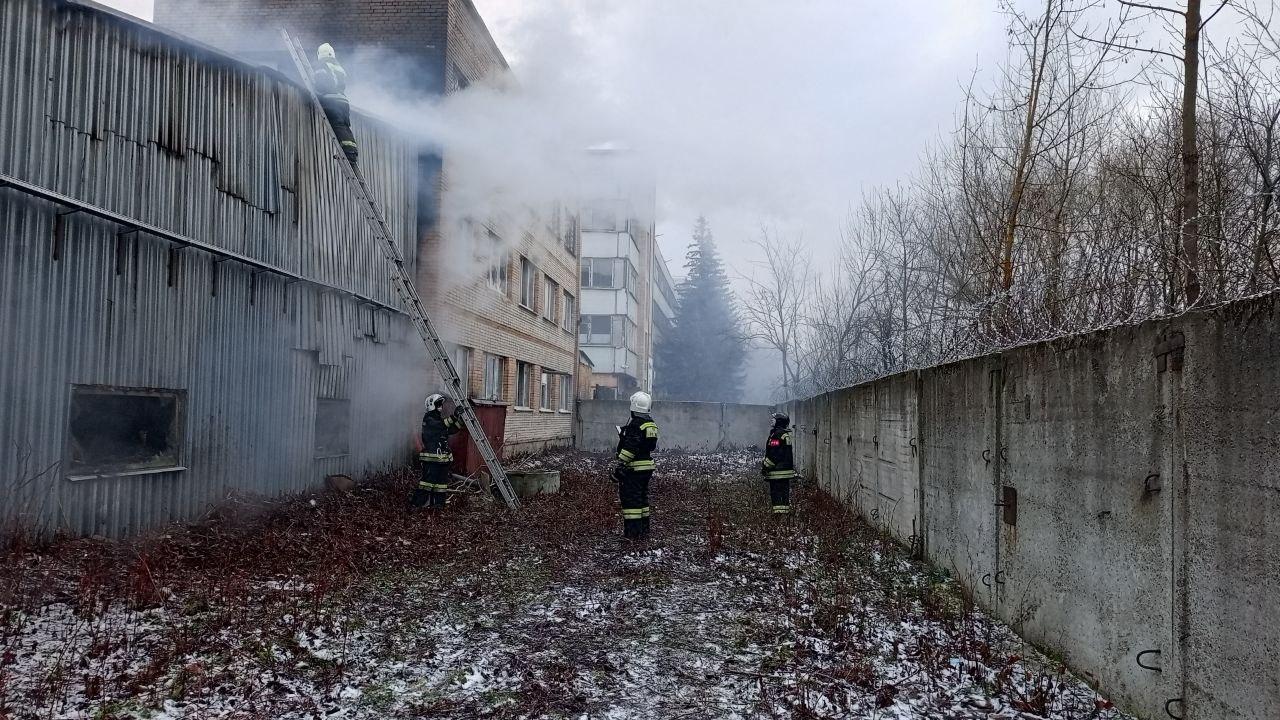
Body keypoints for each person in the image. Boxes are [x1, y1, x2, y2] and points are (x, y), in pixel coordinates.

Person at [614, 391, 658, 540]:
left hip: (634, 469)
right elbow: (650, 447)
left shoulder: (636, 425)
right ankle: (644, 531)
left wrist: (620, 463)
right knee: (642, 500)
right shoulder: (651, 424)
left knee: (631, 501)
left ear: (634, 407)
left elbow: (630, 449)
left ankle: (632, 534)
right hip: (646, 468)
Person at [413, 393, 462, 509]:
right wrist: (454, 416)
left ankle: (438, 505)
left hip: (442, 460)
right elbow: (441, 425)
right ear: (431, 405)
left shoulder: (438, 419)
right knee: (427, 483)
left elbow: (451, 430)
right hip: (431, 459)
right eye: (438, 404)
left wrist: (460, 420)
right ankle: (418, 504)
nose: (441, 406)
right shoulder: (429, 419)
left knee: (441, 485)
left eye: (441, 404)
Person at [313, 43, 359, 164]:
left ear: (319, 54)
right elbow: (342, 85)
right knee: (344, 126)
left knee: (338, 125)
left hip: (331, 100)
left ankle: (348, 153)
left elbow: (321, 83)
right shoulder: (339, 67)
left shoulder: (322, 65)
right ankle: (352, 152)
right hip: (344, 101)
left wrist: (315, 92)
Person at [761, 412, 796, 516]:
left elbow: (774, 454)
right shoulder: (784, 434)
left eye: (774, 419)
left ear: (779, 422)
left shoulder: (777, 435)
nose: (771, 420)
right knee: (784, 494)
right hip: (785, 472)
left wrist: (765, 466)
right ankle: (784, 516)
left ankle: (778, 517)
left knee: (776, 493)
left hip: (777, 471)